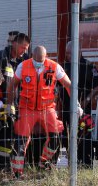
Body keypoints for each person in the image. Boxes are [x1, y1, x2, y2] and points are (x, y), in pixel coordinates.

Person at [10, 46, 75, 177]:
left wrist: (76, 104)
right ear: (32, 56)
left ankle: (44, 163)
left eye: (41, 60)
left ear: (46, 57)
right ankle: (17, 173)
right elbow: (12, 85)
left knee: (55, 137)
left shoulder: (54, 67)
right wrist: (10, 105)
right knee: (21, 141)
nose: (38, 62)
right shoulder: (23, 66)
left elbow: (68, 85)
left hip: (47, 107)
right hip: (27, 108)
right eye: (36, 59)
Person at [60, 41, 98, 166]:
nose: (67, 55)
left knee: (84, 135)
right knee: (67, 137)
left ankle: (86, 163)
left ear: (78, 52)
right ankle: (71, 163)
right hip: (66, 109)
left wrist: (88, 99)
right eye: (66, 53)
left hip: (83, 109)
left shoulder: (88, 66)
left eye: (69, 53)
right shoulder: (64, 66)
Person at [0, 31, 30, 105]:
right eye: (22, 48)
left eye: (26, 49)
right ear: (15, 43)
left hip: (19, 104)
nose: (24, 51)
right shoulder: (0, 57)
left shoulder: (25, 60)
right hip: (2, 104)